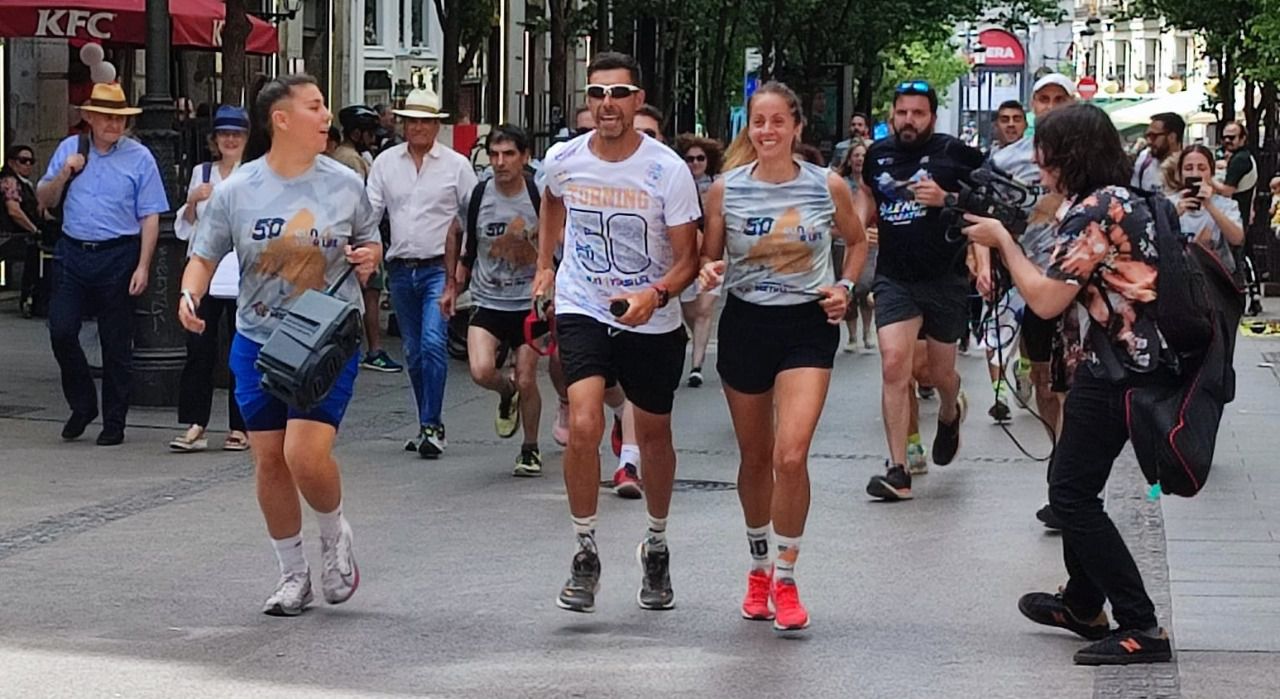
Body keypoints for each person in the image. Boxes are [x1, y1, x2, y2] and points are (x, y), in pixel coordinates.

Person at [963, 101, 1173, 666]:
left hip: (1115, 368)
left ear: (1068, 156)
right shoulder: (1128, 200)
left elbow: (1048, 299)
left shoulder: (1095, 212)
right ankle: (1081, 604)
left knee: (1071, 495)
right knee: (1075, 482)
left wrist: (1003, 242)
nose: (1038, 161)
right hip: (1131, 364)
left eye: (1045, 152)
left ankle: (1140, 624)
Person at [180, 74, 382, 617]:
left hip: (325, 338)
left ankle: (334, 533)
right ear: (282, 120)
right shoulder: (237, 190)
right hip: (258, 340)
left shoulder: (346, 182)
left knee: (304, 452)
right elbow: (204, 254)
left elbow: (370, 241)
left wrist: (370, 257)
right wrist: (189, 295)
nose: (326, 117)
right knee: (270, 460)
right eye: (315, 107)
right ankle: (293, 576)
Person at [532, 51, 701, 613]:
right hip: (584, 302)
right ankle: (584, 549)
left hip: (650, 312)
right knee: (582, 418)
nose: (607, 104)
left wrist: (655, 294)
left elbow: (687, 259)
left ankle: (655, 542)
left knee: (652, 435)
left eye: (619, 93)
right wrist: (546, 264)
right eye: (597, 93)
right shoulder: (564, 159)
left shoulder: (667, 170)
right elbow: (552, 199)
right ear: (588, 101)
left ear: (637, 100)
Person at [700, 80, 867, 631]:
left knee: (790, 457)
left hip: (807, 324)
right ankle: (757, 566)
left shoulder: (828, 184)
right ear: (748, 127)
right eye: (758, 121)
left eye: (777, 121)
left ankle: (788, 576)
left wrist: (844, 285)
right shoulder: (725, 189)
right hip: (747, 323)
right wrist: (710, 269)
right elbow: (709, 255)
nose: (767, 131)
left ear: (796, 127)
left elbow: (858, 240)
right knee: (755, 456)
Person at [861, 81, 980, 501]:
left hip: (945, 277)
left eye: (918, 113)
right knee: (895, 365)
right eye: (902, 112)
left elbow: (986, 203)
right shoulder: (878, 154)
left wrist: (947, 197)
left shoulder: (954, 153)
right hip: (896, 278)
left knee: (938, 374)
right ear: (892, 114)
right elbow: (867, 195)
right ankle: (898, 469)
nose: (909, 120)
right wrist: (859, 225)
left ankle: (950, 411)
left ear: (932, 116)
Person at [36, 82, 168, 446]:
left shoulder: (139, 157)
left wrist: (143, 265)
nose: (114, 125)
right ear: (90, 118)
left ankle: (114, 420)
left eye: (120, 119)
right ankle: (82, 405)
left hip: (118, 254)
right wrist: (64, 172)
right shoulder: (70, 148)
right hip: (73, 252)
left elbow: (151, 216)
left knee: (115, 341)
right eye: (107, 118)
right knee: (61, 330)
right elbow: (43, 199)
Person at [367, 84, 478, 458]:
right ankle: (426, 420)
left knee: (432, 342)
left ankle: (432, 423)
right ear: (401, 124)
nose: (417, 128)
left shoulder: (456, 166)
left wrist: (461, 268)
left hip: (437, 269)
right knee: (413, 351)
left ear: (436, 126)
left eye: (425, 121)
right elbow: (371, 213)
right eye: (411, 121)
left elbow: (472, 216)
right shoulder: (385, 163)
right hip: (400, 268)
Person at [981, 74, 1076, 431]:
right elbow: (985, 215)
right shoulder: (1008, 160)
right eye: (1043, 99)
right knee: (1044, 381)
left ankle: (1071, 463)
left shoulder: (1091, 153)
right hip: (1031, 278)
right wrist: (983, 265)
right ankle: (1059, 454)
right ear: (1032, 106)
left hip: (1084, 279)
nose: (1051, 107)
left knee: (1077, 380)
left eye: (1059, 99)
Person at [455, 125, 545, 476]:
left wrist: (552, 285)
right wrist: (453, 283)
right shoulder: (478, 195)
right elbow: (461, 238)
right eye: (494, 154)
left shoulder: (538, 196)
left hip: (528, 302)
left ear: (524, 157)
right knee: (480, 370)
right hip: (488, 298)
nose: (500, 162)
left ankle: (530, 448)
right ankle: (505, 393)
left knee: (527, 378)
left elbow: (557, 242)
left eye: (508, 154)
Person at [169, 106, 251, 453]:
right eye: (224, 134)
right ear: (214, 140)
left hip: (244, 277)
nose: (230, 140)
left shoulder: (255, 175)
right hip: (206, 276)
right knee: (198, 352)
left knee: (241, 355)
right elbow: (185, 229)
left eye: (237, 134)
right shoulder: (202, 173)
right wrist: (191, 202)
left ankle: (241, 425)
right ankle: (195, 423)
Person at [675, 133, 725, 387]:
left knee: (705, 310)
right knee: (691, 311)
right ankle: (698, 344)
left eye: (700, 158)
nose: (695, 163)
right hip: (684, 257)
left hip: (714, 256)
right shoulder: (675, 186)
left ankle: (696, 366)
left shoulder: (719, 186)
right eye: (690, 159)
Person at [1171, 144, 1244, 273]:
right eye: (1188, 168)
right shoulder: (1169, 203)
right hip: (1180, 274)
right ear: (1180, 173)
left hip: (1215, 278)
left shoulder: (1227, 205)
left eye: (1202, 168)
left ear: (1211, 172)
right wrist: (1173, 215)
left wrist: (1209, 205)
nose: (1195, 173)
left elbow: (1237, 239)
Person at [834, 141, 876, 351]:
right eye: (856, 155)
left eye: (863, 155)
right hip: (842, 242)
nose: (859, 159)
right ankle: (851, 336)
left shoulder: (875, 184)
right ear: (849, 160)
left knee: (865, 287)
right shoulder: (839, 184)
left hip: (870, 242)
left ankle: (867, 332)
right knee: (847, 285)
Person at [1, 145, 43, 318]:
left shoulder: (25, 184)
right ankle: (28, 298)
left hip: (16, 235)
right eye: (23, 160)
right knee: (35, 249)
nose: (28, 164)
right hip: (7, 236)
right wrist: (35, 230)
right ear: (11, 162)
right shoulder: (10, 182)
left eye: (31, 161)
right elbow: (14, 211)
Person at [1215, 121, 1258, 227]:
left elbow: (1227, 191)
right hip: (1239, 215)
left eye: (1231, 137)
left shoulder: (1240, 159)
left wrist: (1207, 179)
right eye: (1224, 137)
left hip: (1234, 216)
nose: (1227, 140)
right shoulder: (1244, 156)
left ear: (1243, 138)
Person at [1132, 112, 1182, 194]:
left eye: (1153, 136)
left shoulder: (1191, 166)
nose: (1148, 142)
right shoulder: (1143, 161)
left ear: (1172, 137)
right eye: (1147, 136)